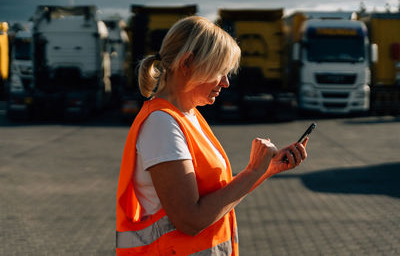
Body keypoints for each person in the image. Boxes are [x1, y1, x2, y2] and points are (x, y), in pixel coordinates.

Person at [116, 16, 308, 255]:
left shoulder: (189, 116)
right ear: (187, 64)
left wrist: (267, 170)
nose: (226, 82)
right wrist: (252, 171)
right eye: (220, 71)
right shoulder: (162, 124)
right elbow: (191, 220)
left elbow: (216, 198)